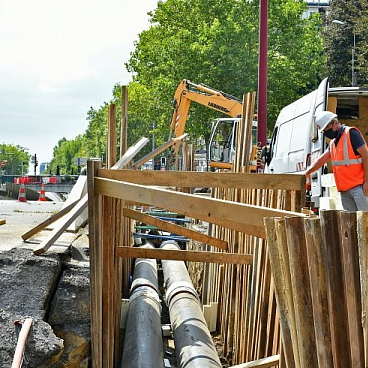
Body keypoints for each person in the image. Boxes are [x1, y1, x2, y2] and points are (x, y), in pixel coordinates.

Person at [305, 110, 368, 211]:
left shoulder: (351, 133)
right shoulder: (333, 143)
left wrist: (367, 181)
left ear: (335, 123)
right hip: (344, 191)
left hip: (359, 188)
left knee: (365, 221)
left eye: (327, 129)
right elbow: (322, 159)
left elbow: (366, 155)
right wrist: (307, 172)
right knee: (350, 223)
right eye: (324, 131)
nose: (326, 133)